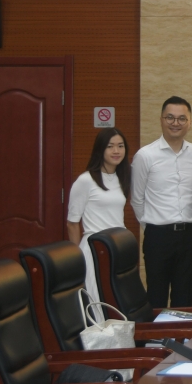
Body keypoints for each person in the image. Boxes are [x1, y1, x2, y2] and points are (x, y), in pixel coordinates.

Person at [131, 96, 192, 308]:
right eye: (170, 117)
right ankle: (156, 332)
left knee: (185, 298)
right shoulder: (145, 155)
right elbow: (137, 199)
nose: (175, 123)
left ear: (189, 122)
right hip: (157, 236)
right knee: (156, 297)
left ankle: (180, 331)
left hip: (188, 236)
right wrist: (152, 227)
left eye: (182, 118)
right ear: (161, 120)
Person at [67, 128, 130, 307]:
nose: (116, 151)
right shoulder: (85, 180)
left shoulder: (122, 177)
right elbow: (72, 223)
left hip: (117, 247)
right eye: (110, 146)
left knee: (117, 302)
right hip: (94, 249)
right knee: (97, 304)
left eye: (120, 146)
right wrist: (76, 259)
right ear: (100, 149)